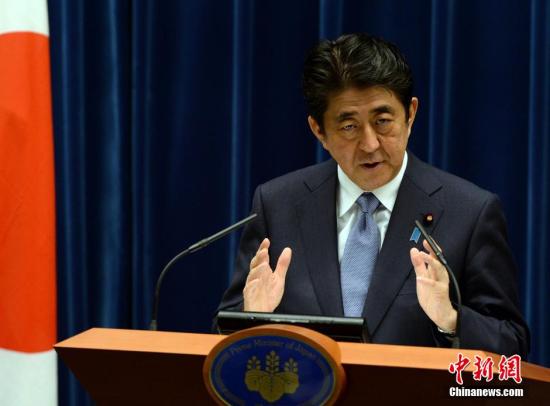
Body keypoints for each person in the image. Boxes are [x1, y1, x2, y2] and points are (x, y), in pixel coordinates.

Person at [217, 33, 529, 357]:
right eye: (349, 127)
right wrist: (251, 318)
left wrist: (451, 319)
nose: (370, 144)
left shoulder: (469, 212)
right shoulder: (277, 205)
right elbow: (222, 341)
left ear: (410, 114)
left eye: (383, 121)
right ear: (319, 130)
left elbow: (511, 343)